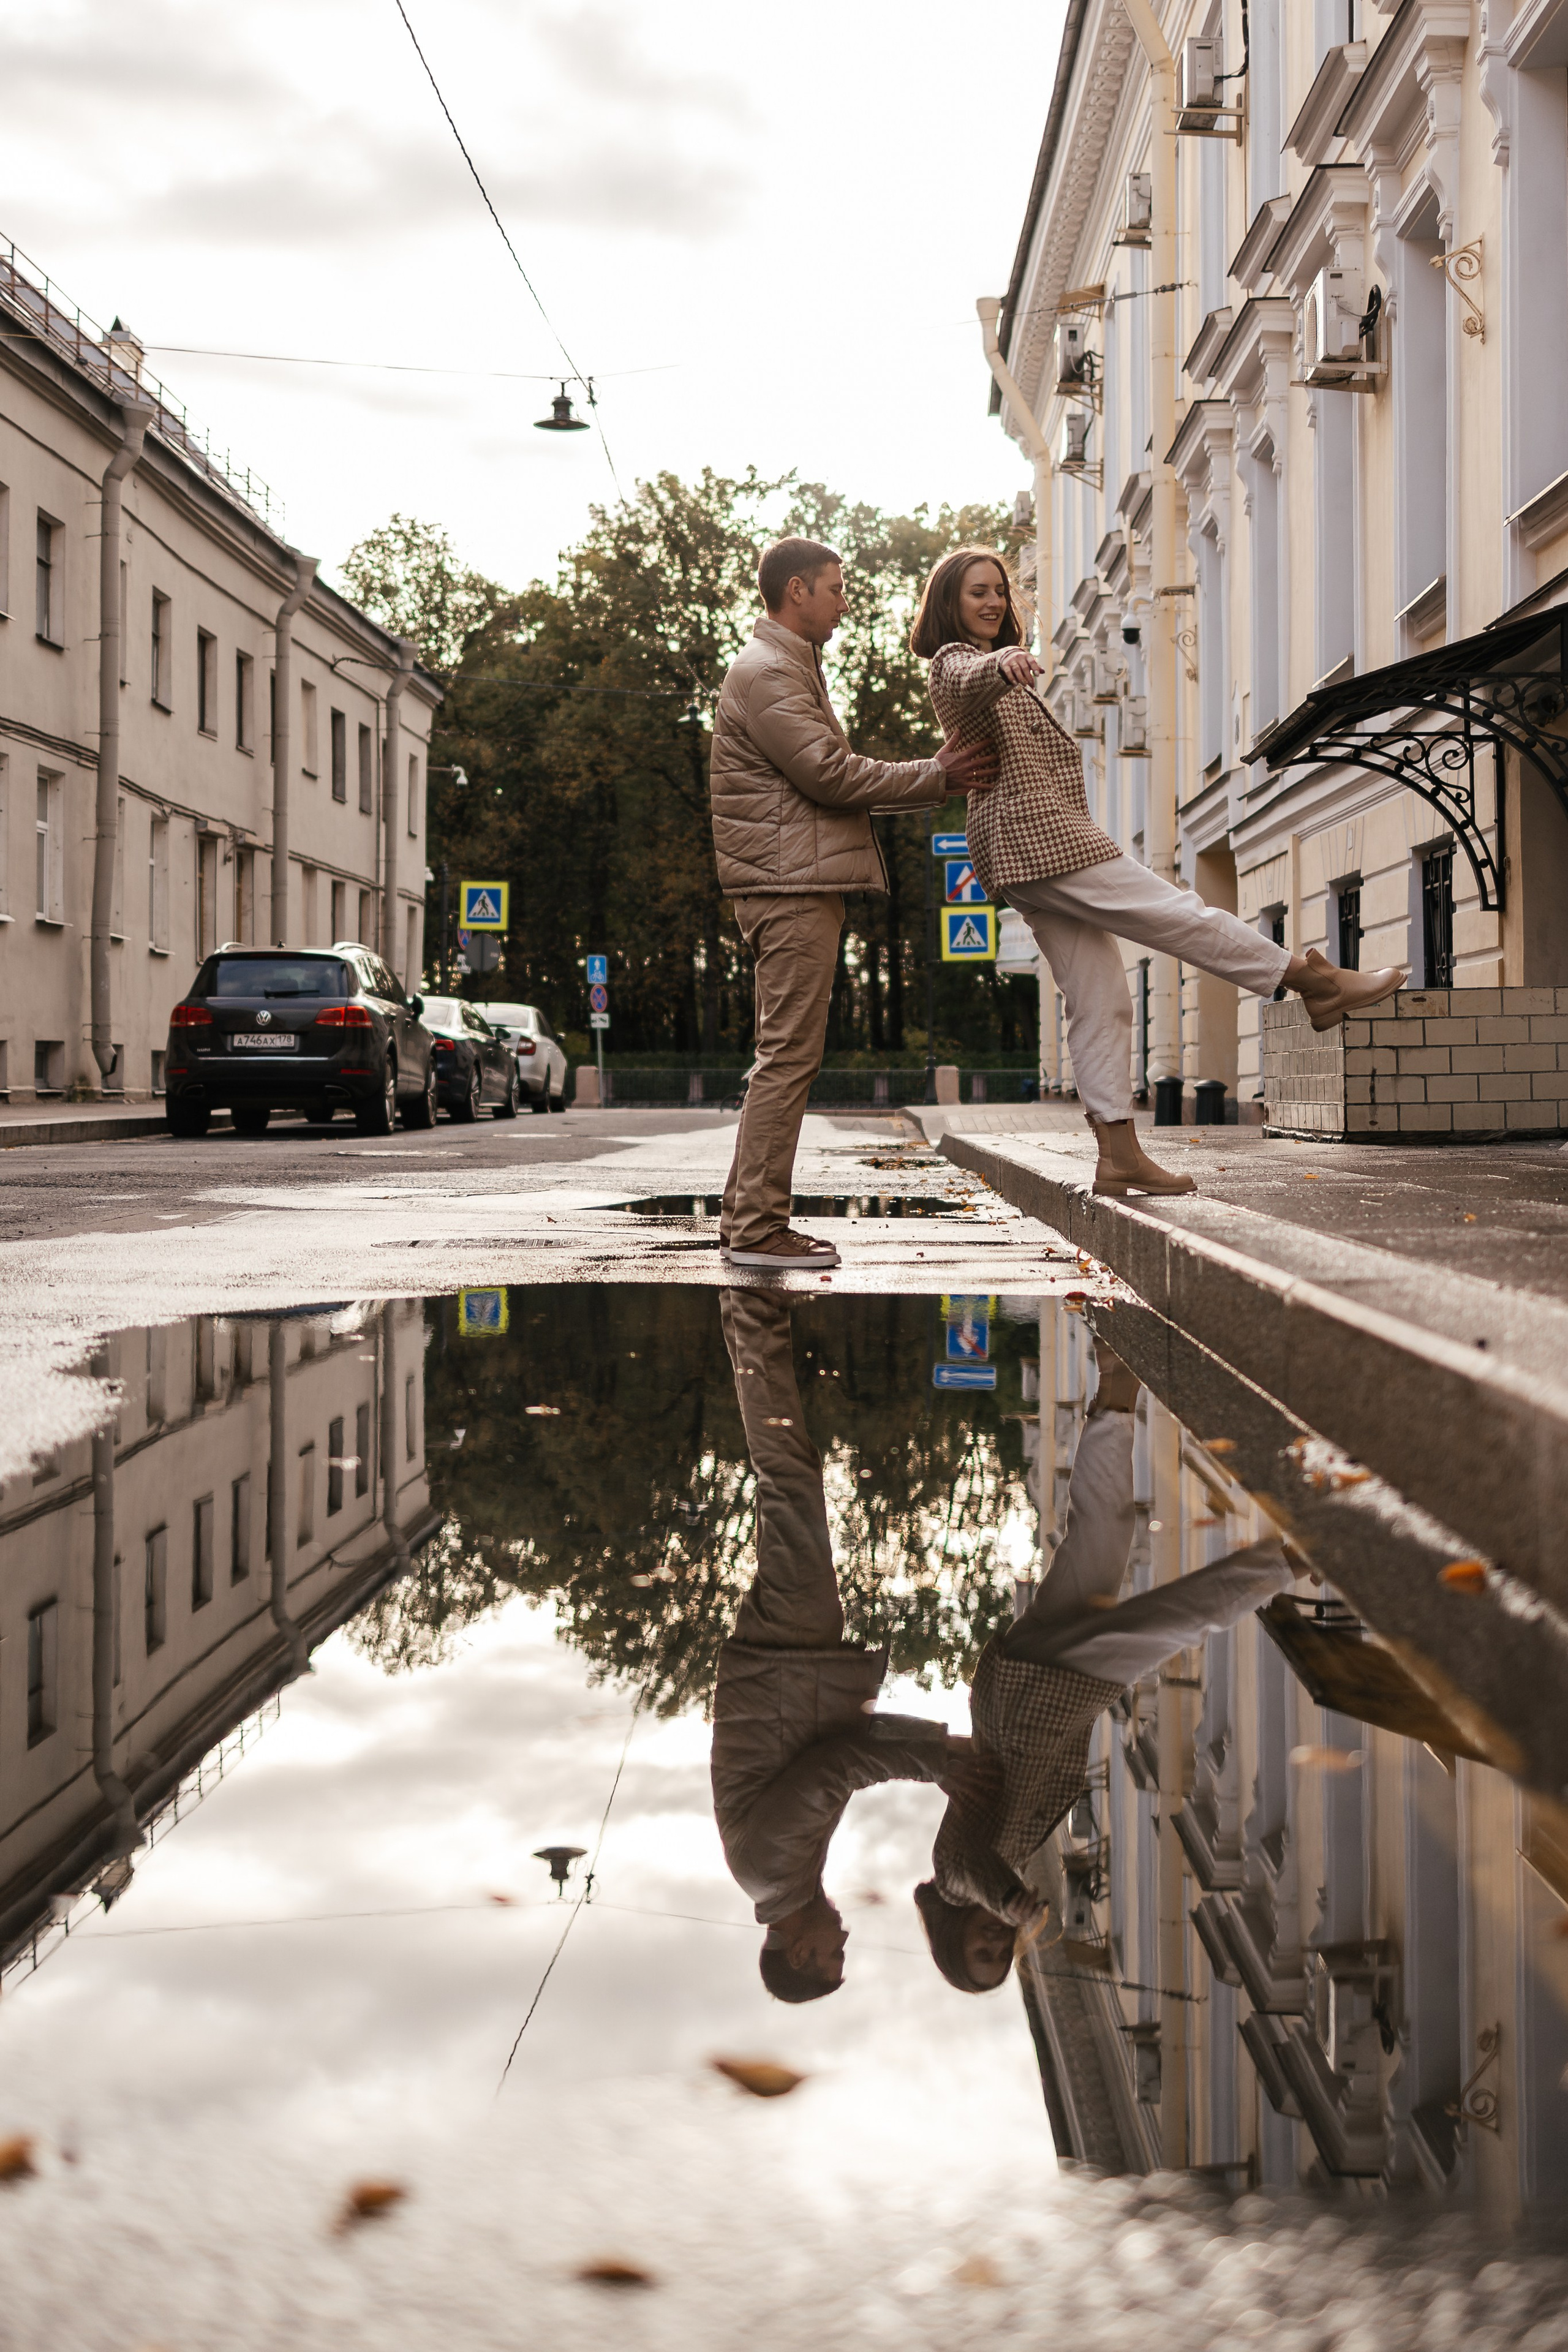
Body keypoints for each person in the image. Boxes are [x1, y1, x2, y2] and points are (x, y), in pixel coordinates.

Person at [913, 548, 1409, 1196]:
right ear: (949, 602)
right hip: (1038, 841)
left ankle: (1118, 1154)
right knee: (1176, 914)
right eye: (978, 592)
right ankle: (1312, 980)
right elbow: (965, 677)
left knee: (1101, 1001)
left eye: (1000, 591)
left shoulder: (992, 669)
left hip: (1023, 849)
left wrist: (1006, 663)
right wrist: (1002, 662)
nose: (993, 601)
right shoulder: (956, 663)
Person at [917, 1344, 1296, 1994]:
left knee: (1176, 1622)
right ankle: (1116, 1389)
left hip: (1043, 1701)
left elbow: (973, 1868)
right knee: (1100, 1537)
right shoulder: (995, 1870)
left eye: (978, 1952)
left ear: (953, 1941)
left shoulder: (953, 1875)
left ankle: (1294, 1559)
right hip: (1017, 1692)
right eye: (999, 1957)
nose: (993, 1944)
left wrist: (1015, 1905)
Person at [711, 537, 998, 1271]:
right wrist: (934, 774)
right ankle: (755, 1230)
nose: (845, 601)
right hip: (790, 886)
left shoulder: (785, 666)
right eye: (836, 588)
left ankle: (746, 1215)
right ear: (797, 590)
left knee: (782, 1055)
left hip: (791, 880)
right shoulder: (770, 671)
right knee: (786, 1057)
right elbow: (830, 776)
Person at [710, 1287, 959, 2000]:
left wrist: (937, 1761)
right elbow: (845, 1748)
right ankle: (750, 1316)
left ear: (794, 1951)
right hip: (789, 1661)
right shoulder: (788, 1873)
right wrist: (940, 1748)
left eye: (828, 1958)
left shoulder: (771, 1870)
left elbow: (837, 1764)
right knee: (788, 1480)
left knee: (787, 1479)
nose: (842, 1942)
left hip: (787, 1656)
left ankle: (752, 1311)